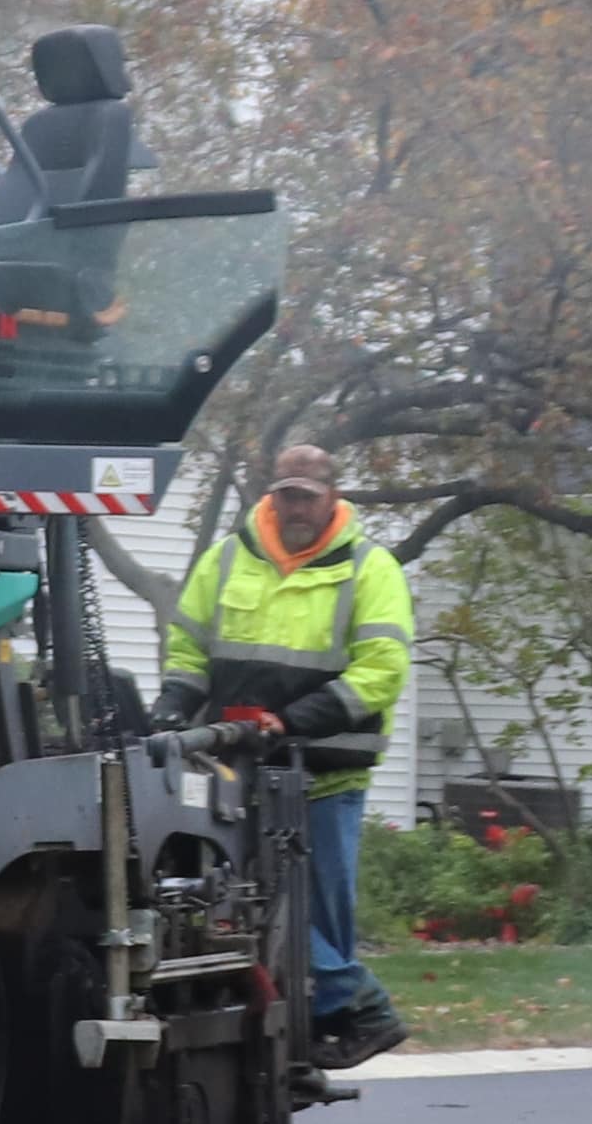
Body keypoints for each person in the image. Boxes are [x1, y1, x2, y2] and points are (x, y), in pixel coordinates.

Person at [163, 442, 416, 1069]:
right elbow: (189, 648)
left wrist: (294, 722)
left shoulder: (370, 569)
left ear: (333, 498)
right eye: (286, 495)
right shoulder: (226, 560)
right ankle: (345, 1017)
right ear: (270, 496)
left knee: (317, 919)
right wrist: (171, 706)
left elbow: (382, 670)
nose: (296, 506)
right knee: (257, 906)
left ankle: (340, 1016)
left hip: (325, 773)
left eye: (307, 495)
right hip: (239, 773)